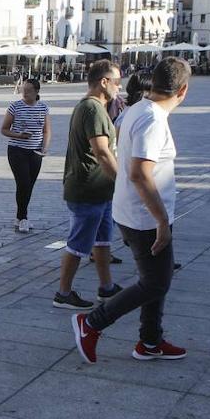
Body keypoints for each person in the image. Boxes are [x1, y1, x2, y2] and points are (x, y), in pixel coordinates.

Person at [72, 58, 191, 364]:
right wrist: (161, 219)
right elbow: (139, 173)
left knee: (157, 278)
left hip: (134, 210)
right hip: (145, 216)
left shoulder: (138, 109)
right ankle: (92, 323)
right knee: (156, 282)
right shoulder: (152, 119)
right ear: (183, 90)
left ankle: (150, 341)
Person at [55, 60, 123, 310]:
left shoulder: (96, 107)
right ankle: (63, 293)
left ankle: (106, 287)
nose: (120, 87)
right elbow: (102, 152)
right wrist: (123, 182)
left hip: (100, 189)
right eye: (117, 82)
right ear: (104, 82)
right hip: (87, 188)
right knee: (79, 244)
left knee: (102, 241)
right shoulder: (92, 109)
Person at [1, 78, 50, 233]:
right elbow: (4, 129)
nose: (25, 93)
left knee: (29, 185)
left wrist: (45, 147)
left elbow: (46, 131)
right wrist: (19, 135)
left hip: (35, 151)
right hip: (17, 150)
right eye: (24, 90)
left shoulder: (43, 108)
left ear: (37, 92)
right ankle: (23, 218)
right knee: (23, 183)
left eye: (29, 91)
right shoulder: (15, 107)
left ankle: (19, 216)